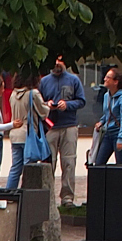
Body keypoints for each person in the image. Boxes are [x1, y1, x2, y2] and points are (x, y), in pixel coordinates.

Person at [37, 56, 86, 205]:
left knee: (69, 162)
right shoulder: (44, 81)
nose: (57, 64)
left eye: (60, 61)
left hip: (69, 126)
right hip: (50, 127)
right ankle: (47, 195)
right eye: (55, 61)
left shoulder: (74, 80)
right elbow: (38, 103)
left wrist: (68, 105)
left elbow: (81, 101)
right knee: (48, 162)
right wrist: (47, 104)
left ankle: (67, 197)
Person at [5, 69, 52, 193]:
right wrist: (48, 105)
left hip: (15, 134)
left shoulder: (13, 94)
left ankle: (9, 193)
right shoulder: (33, 93)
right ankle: (26, 193)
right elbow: (43, 112)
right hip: (28, 135)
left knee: (15, 167)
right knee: (29, 167)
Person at [93, 67, 122, 168]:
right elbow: (108, 113)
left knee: (120, 165)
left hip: (119, 134)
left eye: (108, 77)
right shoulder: (107, 96)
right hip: (108, 134)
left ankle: (121, 183)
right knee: (99, 164)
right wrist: (102, 122)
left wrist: (120, 139)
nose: (104, 79)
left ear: (115, 82)